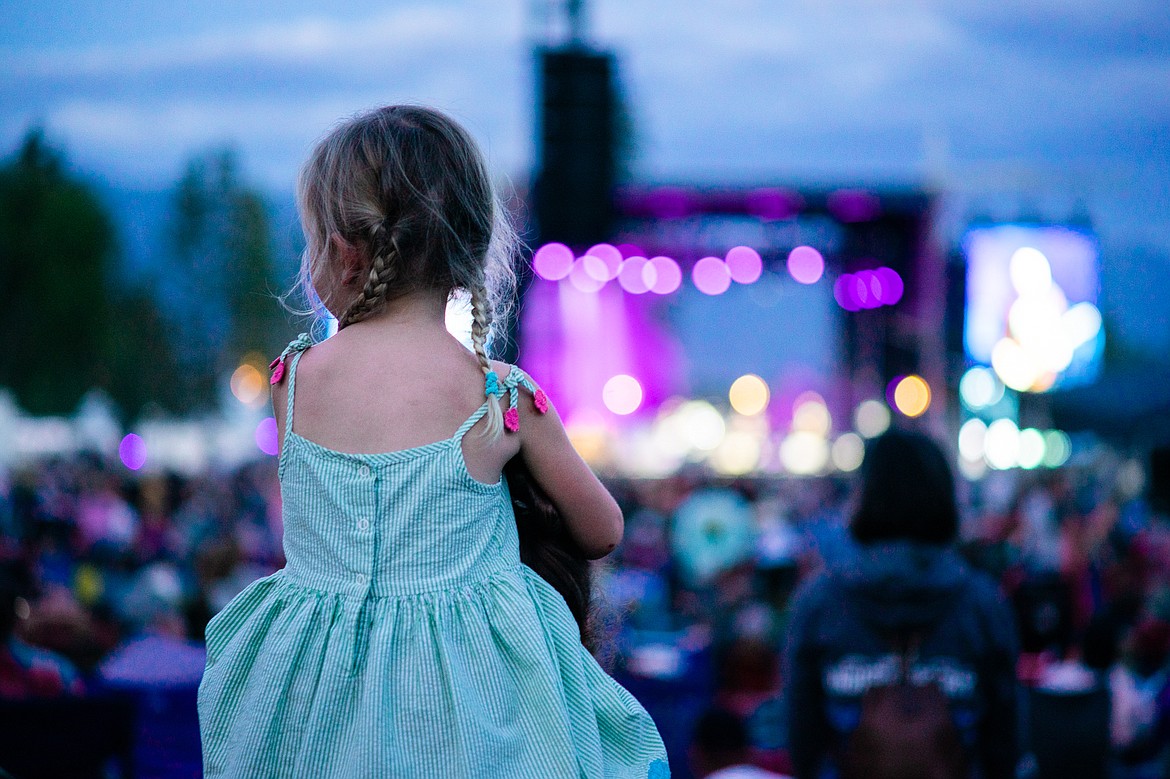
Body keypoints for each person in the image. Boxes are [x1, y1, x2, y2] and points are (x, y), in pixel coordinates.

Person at [197, 105, 668, 778]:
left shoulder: (292, 381)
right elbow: (603, 528)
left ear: (343, 249)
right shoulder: (499, 394)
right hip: (470, 715)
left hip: (317, 707)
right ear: (468, 246)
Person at [782, 429, 1019, 779]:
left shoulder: (818, 604)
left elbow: (802, 740)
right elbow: (1005, 742)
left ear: (864, 496)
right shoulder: (982, 604)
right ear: (944, 496)